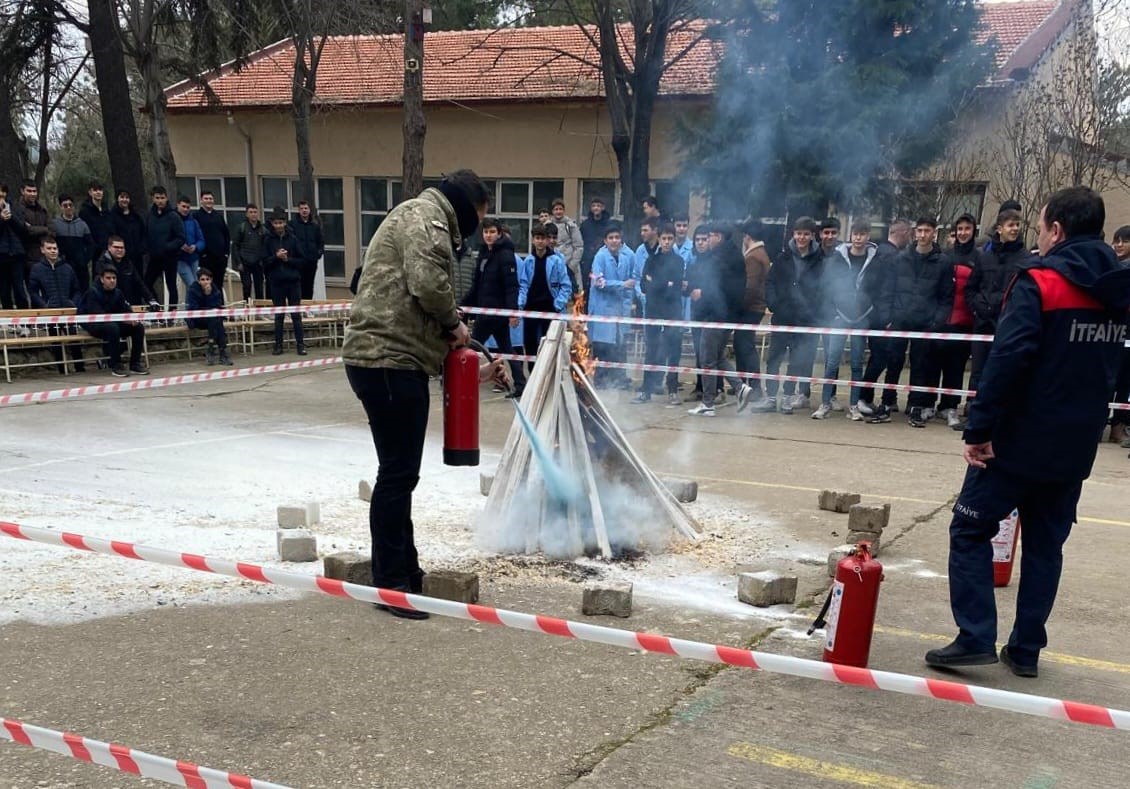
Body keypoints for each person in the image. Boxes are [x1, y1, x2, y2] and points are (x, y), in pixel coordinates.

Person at [925, 186, 1130, 677]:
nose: (1037, 234)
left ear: (1055, 229)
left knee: (970, 527)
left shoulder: (1041, 280)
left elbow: (1009, 358)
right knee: (1045, 544)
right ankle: (1025, 649)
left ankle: (975, 636)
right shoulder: (1118, 288)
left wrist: (979, 428)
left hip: (1019, 439)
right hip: (1077, 441)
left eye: (1039, 226)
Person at [343, 169, 502, 620]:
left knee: (400, 473)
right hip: (388, 360)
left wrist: (467, 351)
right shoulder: (427, 218)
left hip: (389, 359)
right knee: (398, 474)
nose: (476, 227)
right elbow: (428, 285)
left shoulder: (420, 215)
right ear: (466, 205)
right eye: (479, 216)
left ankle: (405, 573)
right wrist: (455, 325)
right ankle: (391, 583)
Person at [752, 216, 825, 414]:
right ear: (793, 234)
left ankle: (787, 397)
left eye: (806, 234)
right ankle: (771, 397)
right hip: (782, 317)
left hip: (804, 320)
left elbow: (823, 289)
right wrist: (773, 303)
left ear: (812, 236)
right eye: (799, 233)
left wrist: (813, 310)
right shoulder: (782, 257)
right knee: (774, 358)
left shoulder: (820, 261)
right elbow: (770, 283)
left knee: (796, 360)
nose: (802, 237)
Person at [886, 218, 953, 428]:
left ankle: (915, 406)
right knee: (894, 361)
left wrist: (936, 321)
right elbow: (890, 289)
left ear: (934, 233)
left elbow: (946, 297)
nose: (922, 234)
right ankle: (887, 402)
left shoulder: (943, 262)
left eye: (927, 231)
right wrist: (889, 316)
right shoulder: (900, 259)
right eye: (920, 230)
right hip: (900, 319)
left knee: (920, 366)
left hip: (925, 323)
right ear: (915, 232)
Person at [816, 220, 879, 420]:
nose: (858, 238)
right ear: (850, 236)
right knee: (832, 362)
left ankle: (853, 406)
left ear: (868, 236)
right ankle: (825, 403)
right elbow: (826, 286)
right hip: (839, 317)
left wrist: (871, 310)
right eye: (855, 234)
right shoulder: (837, 257)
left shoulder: (875, 259)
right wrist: (831, 311)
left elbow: (878, 286)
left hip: (862, 317)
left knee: (857, 364)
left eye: (862, 234)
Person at [966, 208, 1027, 409]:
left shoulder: (1025, 258)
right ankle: (973, 410)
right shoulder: (984, 257)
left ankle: (999, 413)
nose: (1015, 229)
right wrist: (977, 307)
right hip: (982, 323)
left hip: (1008, 325)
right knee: (978, 371)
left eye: (1017, 224)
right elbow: (971, 288)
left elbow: (1024, 292)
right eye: (1011, 225)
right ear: (999, 229)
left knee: (1002, 370)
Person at [687, 223, 750, 416]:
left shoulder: (719, 259)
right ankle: (740, 388)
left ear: (719, 237)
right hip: (725, 314)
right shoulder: (731, 255)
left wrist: (701, 293)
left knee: (707, 359)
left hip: (715, 315)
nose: (707, 239)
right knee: (717, 357)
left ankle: (708, 403)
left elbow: (719, 289)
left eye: (711, 236)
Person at [855, 219, 912, 418]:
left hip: (877, 315)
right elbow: (886, 290)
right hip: (884, 318)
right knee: (881, 359)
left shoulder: (878, 253)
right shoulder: (892, 257)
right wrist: (885, 316)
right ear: (903, 233)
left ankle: (877, 398)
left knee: (882, 358)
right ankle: (864, 397)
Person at [929, 214, 980, 430]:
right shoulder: (945, 256)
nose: (963, 232)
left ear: (973, 231)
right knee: (934, 364)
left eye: (967, 228)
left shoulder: (979, 258)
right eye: (959, 228)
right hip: (942, 320)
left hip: (965, 321)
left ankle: (950, 406)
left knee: (956, 367)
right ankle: (930, 404)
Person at [632, 223, 686, 406]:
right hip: (653, 311)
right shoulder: (651, 260)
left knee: (673, 351)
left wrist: (658, 283)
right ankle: (646, 390)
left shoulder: (679, 262)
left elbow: (675, 287)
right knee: (651, 351)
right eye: (664, 238)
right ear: (659, 239)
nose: (667, 242)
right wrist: (663, 284)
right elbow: (644, 285)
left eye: (670, 239)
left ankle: (672, 390)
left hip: (672, 312)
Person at [518, 224, 572, 372]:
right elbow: (523, 285)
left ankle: (547, 375)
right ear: (533, 240)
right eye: (537, 238)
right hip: (530, 309)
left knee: (549, 344)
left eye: (543, 238)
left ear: (547, 241)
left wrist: (557, 304)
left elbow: (566, 286)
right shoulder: (528, 261)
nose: (540, 241)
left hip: (550, 309)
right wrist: (520, 305)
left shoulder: (557, 261)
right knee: (529, 344)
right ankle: (532, 375)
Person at [589, 225, 636, 389]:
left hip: (619, 309)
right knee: (602, 346)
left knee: (619, 345)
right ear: (605, 240)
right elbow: (598, 281)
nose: (614, 240)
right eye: (611, 238)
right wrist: (622, 284)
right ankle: (600, 380)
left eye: (617, 237)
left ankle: (619, 379)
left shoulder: (626, 256)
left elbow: (633, 281)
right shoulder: (600, 257)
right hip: (602, 308)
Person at [79, 265, 148, 377]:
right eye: (108, 278)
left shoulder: (118, 293)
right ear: (102, 279)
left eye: (114, 278)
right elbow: (98, 315)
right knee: (112, 328)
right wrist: (123, 321)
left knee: (138, 328)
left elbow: (125, 309)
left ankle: (135, 363)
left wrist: (132, 318)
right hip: (94, 324)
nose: (112, 281)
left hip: (114, 323)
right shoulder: (93, 292)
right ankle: (116, 364)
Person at [28, 236, 84, 373]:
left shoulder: (67, 267)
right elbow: (33, 291)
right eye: (49, 248)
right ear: (42, 250)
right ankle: (61, 369)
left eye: (55, 248)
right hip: (51, 312)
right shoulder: (37, 269)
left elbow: (77, 289)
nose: (53, 251)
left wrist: (73, 303)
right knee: (56, 342)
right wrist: (44, 306)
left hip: (68, 311)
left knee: (74, 340)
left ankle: (80, 368)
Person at [263, 207, 306, 355]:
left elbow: (302, 261)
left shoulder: (293, 239)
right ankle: (278, 345)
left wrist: (288, 260)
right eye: (276, 223)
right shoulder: (268, 240)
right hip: (276, 282)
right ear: (272, 224)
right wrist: (276, 257)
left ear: (285, 223)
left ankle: (300, 345)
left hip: (293, 281)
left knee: (296, 314)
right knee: (279, 315)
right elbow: (264, 262)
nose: (279, 226)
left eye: (281, 222)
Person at [735, 220, 770, 402]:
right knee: (744, 345)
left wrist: (738, 306)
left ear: (747, 236)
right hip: (755, 307)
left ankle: (752, 386)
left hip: (750, 308)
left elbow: (750, 287)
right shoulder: (760, 253)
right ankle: (744, 385)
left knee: (745, 346)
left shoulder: (753, 257)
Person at [144, 186, 186, 306]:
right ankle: (156, 306)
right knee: (147, 283)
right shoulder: (150, 215)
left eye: (162, 198)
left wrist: (168, 247)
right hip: (154, 257)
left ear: (166, 198)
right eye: (157, 198)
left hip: (170, 257)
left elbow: (181, 238)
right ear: (153, 199)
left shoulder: (173, 216)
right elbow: (146, 233)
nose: (160, 201)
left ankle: (172, 313)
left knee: (171, 285)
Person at [186, 267, 233, 366]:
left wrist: (209, 295)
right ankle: (221, 352)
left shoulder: (215, 289)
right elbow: (194, 308)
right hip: (198, 319)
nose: (205, 282)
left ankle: (213, 349)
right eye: (202, 279)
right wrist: (206, 296)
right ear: (198, 281)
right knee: (215, 319)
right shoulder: (193, 290)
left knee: (216, 320)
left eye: (207, 279)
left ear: (211, 280)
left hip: (212, 319)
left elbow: (217, 305)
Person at [1110, 225, 1130, 447]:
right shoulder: (1111, 267)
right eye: (1117, 240)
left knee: (1125, 380)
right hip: (1112, 328)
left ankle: (1119, 426)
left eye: (1124, 241)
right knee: (1107, 378)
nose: (1119, 245)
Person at [51, 194, 94, 293]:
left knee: (83, 292)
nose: (68, 208)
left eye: (70, 205)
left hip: (80, 267)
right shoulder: (55, 224)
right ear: (60, 207)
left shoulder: (82, 224)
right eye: (65, 205)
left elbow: (90, 245)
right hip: (62, 265)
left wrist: (85, 259)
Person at [13, 180, 50, 286]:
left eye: (34, 191)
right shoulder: (17, 209)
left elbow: (52, 230)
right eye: (29, 191)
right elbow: (24, 230)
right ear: (22, 191)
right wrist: (44, 229)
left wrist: (38, 229)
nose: (33, 194)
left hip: (43, 257)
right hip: (25, 257)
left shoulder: (42, 210)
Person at [194, 190, 231, 292]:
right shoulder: (196, 216)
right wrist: (202, 254)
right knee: (206, 285)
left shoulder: (218, 216)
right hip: (205, 259)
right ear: (201, 201)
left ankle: (219, 306)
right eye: (206, 199)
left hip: (220, 258)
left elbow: (226, 235)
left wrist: (226, 254)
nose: (208, 201)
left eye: (210, 198)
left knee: (218, 285)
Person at [0, 183, 29, 309]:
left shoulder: (14, 207)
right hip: (1, 254)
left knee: (19, 289)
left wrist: (10, 217)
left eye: (3, 194)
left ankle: (24, 323)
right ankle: (8, 322)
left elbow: (22, 229)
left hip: (17, 254)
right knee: (4, 289)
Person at [110, 190, 147, 287]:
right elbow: (112, 235)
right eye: (122, 197)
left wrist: (142, 248)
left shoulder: (136, 216)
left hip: (137, 256)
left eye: (126, 197)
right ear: (117, 199)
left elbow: (143, 233)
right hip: (121, 257)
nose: (124, 200)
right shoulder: (113, 216)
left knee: (138, 282)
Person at [289, 199, 324, 300]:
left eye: (306, 208)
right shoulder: (292, 225)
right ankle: (298, 307)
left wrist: (318, 253)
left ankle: (307, 307)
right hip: (298, 262)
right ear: (298, 210)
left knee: (309, 285)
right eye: (301, 208)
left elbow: (320, 242)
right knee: (298, 285)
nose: (304, 210)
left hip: (311, 261)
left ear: (309, 210)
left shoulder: (315, 226)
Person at [233, 204, 268, 301]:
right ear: (247, 214)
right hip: (244, 263)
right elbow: (235, 246)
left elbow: (266, 246)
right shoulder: (242, 227)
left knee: (259, 288)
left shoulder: (263, 229)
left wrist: (263, 261)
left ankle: (259, 312)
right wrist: (238, 262)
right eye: (251, 212)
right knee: (247, 286)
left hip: (258, 263)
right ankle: (247, 311)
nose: (253, 214)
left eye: (255, 212)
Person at [579, 196, 612, 301]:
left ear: (603, 207)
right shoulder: (585, 225)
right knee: (588, 288)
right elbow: (581, 243)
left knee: (604, 284)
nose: (596, 208)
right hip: (588, 261)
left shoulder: (609, 224)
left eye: (598, 205)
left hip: (605, 260)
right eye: (594, 206)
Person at [549, 198, 584, 294]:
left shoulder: (571, 225)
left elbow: (579, 246)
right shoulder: (548, 225)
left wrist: (572, 265)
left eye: (560, 209)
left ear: (564, 210)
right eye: (556, 209)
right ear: (552, 211)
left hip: (569, 265)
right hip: (553, 266)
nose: (558, 211)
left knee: (571, 295)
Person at [79, 181, 114, 272]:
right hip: (95, 252)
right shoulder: (85, 211)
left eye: (100, 190)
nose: (98, 192)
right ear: (90, 192)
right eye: (95, 190)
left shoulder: (107, 210)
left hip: (109, 249)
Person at [176, 195, 205, 295]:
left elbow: (201, 240)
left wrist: (195, 246)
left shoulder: (193, 222)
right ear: (178, 205)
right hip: (180, 258)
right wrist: (179, 245)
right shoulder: (173, 220)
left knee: (194, 285)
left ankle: (191, 307)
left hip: (193, 258)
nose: (186, 209)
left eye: (188, 207)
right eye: (183, 206)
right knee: (192, 284)